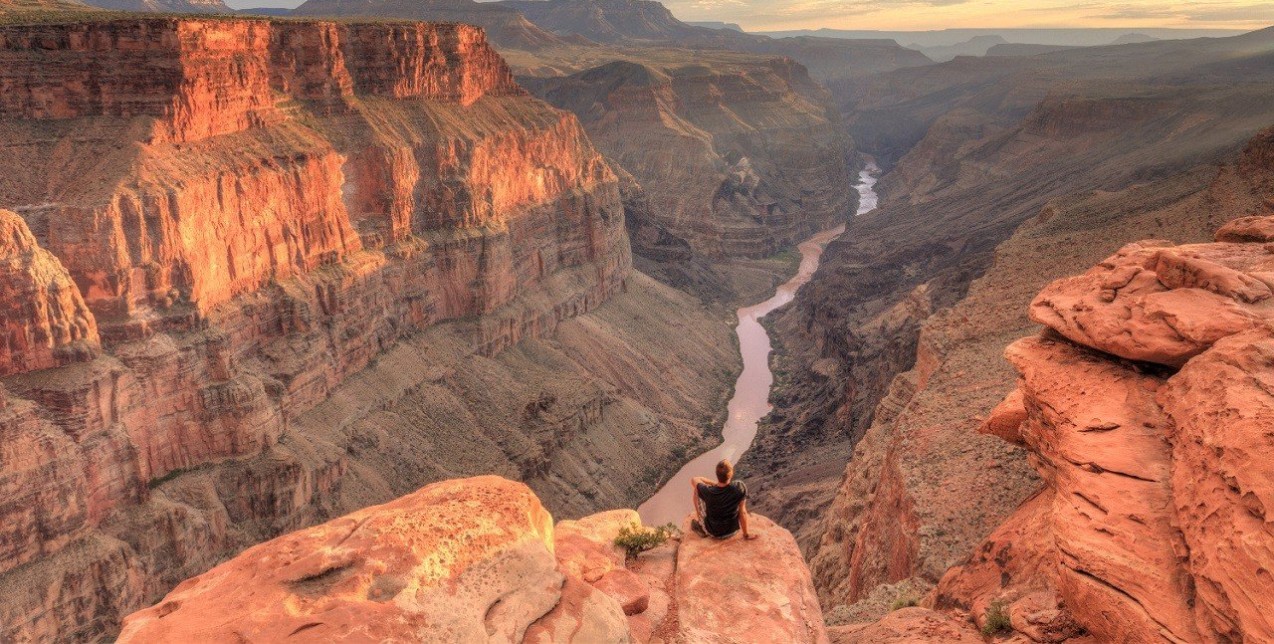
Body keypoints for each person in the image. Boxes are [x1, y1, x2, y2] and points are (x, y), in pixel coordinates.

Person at [690, 459, 757, 540]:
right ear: (731, 474)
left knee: (697, 490)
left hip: (713, 533)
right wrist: (746, 534)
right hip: (733, 531)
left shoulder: (708, 491)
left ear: (717, 474)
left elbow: (694, 479)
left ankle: (700, 524)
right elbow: (743, 512)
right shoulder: (739, 487)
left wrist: (715, 484)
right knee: (737, 502)